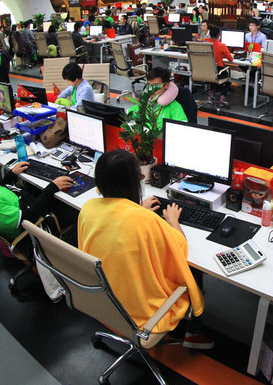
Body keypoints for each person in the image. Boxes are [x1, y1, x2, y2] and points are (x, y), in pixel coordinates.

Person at [78, 149, 212, 349]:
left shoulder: (88, 208)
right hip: (142, 314)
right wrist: (172, 220)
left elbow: (117, 221)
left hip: (103, 299)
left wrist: (138, 208)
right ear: (134, 182)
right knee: (193, 268)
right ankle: (193, 332)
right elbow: (180, 246)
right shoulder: (145, 221)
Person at [208, 25, 233, 105]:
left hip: (208, 71)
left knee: (213, 75)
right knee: (226, 78)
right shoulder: (221, 46)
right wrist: (231, 55)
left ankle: (212, 93)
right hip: (219, 71)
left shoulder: (205, 44)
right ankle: (222, 97)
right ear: (219, 35)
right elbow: (230, 59)